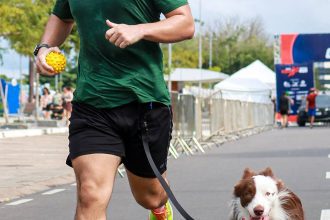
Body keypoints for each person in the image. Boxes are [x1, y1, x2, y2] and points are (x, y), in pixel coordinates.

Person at [34, 1, 194, 220]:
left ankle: (159, 209)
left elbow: (185, 23)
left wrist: (140, 30)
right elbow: (62, 17)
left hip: (144, 104)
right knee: (90, 194)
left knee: (151, 197)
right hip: (92, 104)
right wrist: (43, 47)